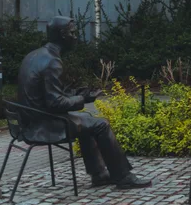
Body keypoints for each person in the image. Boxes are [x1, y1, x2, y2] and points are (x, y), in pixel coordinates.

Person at [17, 16, 151, 189]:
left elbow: (48, 95)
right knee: (101, 124)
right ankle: (123, 176)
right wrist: (82, 99)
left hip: (31, 121)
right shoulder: (52, 62)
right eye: (72, 33)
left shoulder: (34, 55)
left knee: (87, 120)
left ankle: (100, 174)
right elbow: (55, 103)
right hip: (44, 125)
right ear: (62, 35)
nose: (76, 37)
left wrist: (75, 93)